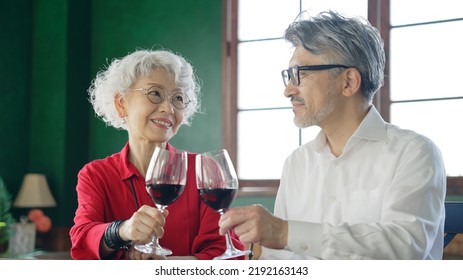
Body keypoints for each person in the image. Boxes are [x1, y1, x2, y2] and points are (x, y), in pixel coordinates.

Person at [219, 10, 446, 259]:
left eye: (300, 74)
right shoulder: (296, 163)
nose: (287, 90)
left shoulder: (414, 153)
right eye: (288, 75)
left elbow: (405, 248)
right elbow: (279, 261)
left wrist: (286, 233)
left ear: (348, 82)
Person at [70, 48, 245, 260]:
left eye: (178, 98)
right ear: (121, 104)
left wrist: (165, 267)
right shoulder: (96, 175)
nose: (168, 108)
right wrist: (122, 231)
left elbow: (227, 256)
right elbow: (83, 241)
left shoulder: (204, 170)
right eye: (155, 93)